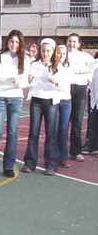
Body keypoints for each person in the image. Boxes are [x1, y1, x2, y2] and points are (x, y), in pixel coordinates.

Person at [0, 30, 30, 178]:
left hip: (15, 98)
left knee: (13, 132)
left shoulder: (25, 59)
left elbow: (26, 81)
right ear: (7, 42)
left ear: (20, 43)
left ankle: (8, 166)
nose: (14, 45)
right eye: (11, 41)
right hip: (0, 97)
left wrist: (18, 81)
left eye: (16, 42)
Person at [22, 38, 68, 176]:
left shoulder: (59, 66)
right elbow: (28, 82)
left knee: (51, 133)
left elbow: (64, 87)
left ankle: (51, 164)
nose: (45, 53)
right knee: (33, 133)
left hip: (51, 102)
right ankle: (30, 163)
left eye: (48, 50)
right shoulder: (34, 64)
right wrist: (29, 81)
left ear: (53, 51)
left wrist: (56, 82)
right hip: (36, 101)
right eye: (43, 50)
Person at [66, 33, 94, 161]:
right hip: (65, 90)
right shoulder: (62, 54)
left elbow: (93, 69)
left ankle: (76, 151)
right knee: (63, 123)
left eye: (74, 42)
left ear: (79, 44)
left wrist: (83, 75)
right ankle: (61, 150)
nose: (72, 44)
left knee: (77, 122)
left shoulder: (85, 56)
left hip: (80, 90)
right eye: (70, 41)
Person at [55, 44, 73, 168]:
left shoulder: (69, 68)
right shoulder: (50, 67)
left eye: (64, 53)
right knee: (53, 129)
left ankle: (63, 157)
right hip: (53, 100)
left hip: (66, 101)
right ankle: (52, 156)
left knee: (63, 129)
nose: (61, 55)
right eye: (59, 52)